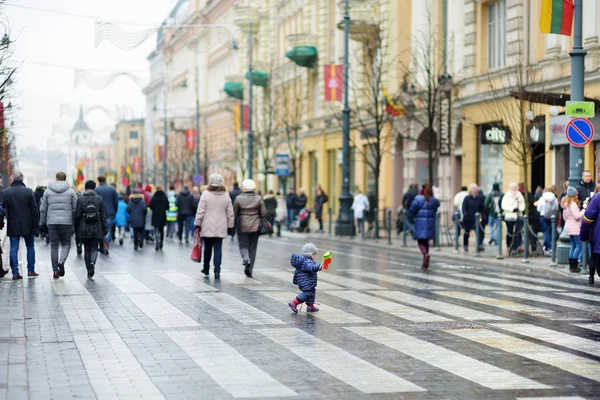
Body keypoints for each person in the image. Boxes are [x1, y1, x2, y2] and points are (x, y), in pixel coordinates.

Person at [194, 174, 234, 279]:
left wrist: (197, 223)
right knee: (218, 248)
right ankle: (217, 270)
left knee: (207, 248)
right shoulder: (226, 194)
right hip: (221, 225)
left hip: (207, 225)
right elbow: (230, 213)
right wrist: (230, 226)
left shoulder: (205, 194)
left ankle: (206, 268)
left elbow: (200, 211)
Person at [39, 171, 78, 279]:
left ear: (56, 178)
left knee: (54, 245)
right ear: (65, 179)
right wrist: (73, 220)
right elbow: (75, 208)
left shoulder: (48, 191)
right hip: (66, 222)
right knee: (66, 244)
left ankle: (55, 271)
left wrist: (42, 222)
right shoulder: (71, 191)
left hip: (52, 222)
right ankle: (62, 261)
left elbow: (43, 209)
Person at [2, 172, 39, 279]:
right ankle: (31, 270)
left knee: (14, 248)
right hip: (28, 224)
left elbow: (3, 209)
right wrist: (36, 224)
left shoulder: (6, 192)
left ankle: (15, 272)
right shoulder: (28, 191)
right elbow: (34, 209)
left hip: (13, 224)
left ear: (13, 179)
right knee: (30, 246)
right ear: (22, 179)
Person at [74, 180, 108, 278]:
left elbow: (77, 215)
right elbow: (103, 215)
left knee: (86, 248)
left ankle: (88, 269)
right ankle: (92, 263)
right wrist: (105, 227)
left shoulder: (80, 199)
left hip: (84, 228)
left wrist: (76, 228)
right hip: (97, 227)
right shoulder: (99, 199)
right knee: (94, 247)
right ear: (94, 188)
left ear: (85, 187)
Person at [234, 179, 266, 278]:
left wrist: (231, 226)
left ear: (243, 187)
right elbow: (264, 213)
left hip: (243, 226)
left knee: (243, 245)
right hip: (255, 227)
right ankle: (250, 269)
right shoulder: (258, 198)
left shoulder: (238, 198)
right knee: (253, 248)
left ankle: (246, 259)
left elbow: (234, 213)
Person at [408, 183, 440, 271]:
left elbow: (412, 210)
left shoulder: (418, 199)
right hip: (430, 223)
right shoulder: (434, 200)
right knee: (426, 242)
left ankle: (425, 254)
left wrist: (411, 219)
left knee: (420, 241)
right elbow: (437, 207)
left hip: (420, 223)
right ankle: (425, 263)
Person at [288, 243, 322, 313]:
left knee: (311, 292)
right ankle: (294, 302)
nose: (315, 256)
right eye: (314, 254)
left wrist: (295, 280)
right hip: (306, 282)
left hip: (306, 282)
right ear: (310, 254)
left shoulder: (302, 261)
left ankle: (310, 306)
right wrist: (318, 266)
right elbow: (311, 268)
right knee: (308, 293)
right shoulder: (308, 261)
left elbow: (296, 272)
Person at [580, 189, 600, 285]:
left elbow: (587, 219)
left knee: (594, 257)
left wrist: (584, 236)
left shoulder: (597, 197)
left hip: (596, 236)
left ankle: (591, 276)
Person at [562, 187, 584, 273]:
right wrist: (583, 211)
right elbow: (577, 216)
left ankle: (571, 264)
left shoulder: (566, 204)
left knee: (573, 245)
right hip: (575, 227)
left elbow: (564, 217)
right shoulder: (573, 204)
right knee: (579, 246)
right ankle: (574, 265)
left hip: (568, 226)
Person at [95, 175, 118, 255]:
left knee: (101, 230)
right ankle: (105, 247)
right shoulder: (112, 189)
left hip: (100, 213)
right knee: (107, 230)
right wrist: (115, 211)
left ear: (98, 180)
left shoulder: (97, 189)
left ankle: (102, 246)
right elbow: (116, 202)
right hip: (110, 212)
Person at [461, 184, 486, 253]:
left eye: (475, 189)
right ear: (470, 190)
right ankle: (465, 245)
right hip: (468, 218)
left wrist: (483, 216)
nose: (474, 191)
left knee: (479, 233)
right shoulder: (467, 198)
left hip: (476, 219)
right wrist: (465, 214)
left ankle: (479, 245)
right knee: (467, 233)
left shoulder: (479, 198)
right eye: (473, 189)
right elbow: (464, 207)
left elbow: (482, 208)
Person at [501, 182, 526, 252]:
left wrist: (519, 209)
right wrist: (512, 209)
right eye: (512, 187)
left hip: (518, 216)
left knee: (518, 232)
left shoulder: (520, 195)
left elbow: (522, 204)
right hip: (509, 216)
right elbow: (503, 205)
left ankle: (518, 245)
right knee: (509, 231)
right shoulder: (506, 195)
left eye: (515, 187)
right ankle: (508, 245)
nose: (514, 189)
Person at [536, 188, 559, 255]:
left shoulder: (542, 198)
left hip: (543, 216)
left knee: (546, 233)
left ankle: (549, 248)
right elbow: (557, 208)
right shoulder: (554, 198)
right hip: (553, 218)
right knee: (554, 233)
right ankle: (552, 247)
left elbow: (538, 209)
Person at [150, 185, 169, 251]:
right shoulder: (164, 197)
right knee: (161, 230)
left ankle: (157, 241)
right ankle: (161, 243)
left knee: (156, 229)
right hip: (162, 215)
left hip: (155, 215)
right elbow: (167, 206)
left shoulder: (154, 197)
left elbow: (151, 206)